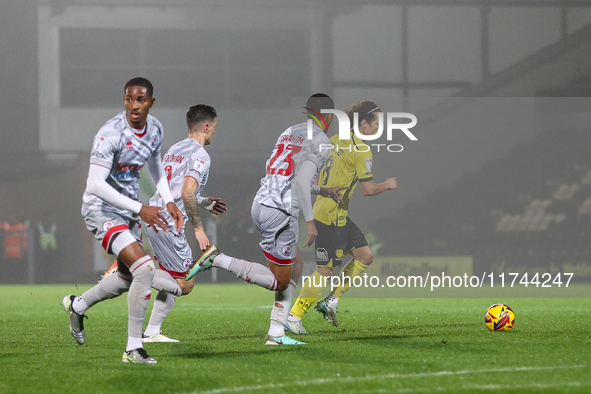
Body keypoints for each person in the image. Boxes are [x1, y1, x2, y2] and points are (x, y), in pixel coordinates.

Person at [186, 94, 345, 345]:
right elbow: (302, 182)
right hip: (280, 212)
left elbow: (285, 176)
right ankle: (218, 259)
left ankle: (277, 332)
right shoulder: (323, 142)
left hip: (261, 203)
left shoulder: (289, 131)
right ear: (328, 117)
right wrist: (310, 221)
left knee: (297, 267)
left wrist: (322, 190)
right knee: (279, 280)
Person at [61, 77, 183, 364]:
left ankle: (78, 306)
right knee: (145, 268)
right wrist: (141, 208)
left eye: (141, 100)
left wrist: (167, 200)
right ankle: (133, 348)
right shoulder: (110, 134)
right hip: (101, 210)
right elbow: (95, 184)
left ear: (151, 102)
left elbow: (155, 167)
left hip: (127, 210)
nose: (134, 105)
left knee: (129, 277)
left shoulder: (155, 129)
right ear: (124, 101)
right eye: (129, 99)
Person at [286, 100, 398, 334]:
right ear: (364, 123)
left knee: (365, 255)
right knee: (326, 271)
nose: (379, 127)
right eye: (377, 123)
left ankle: (331, 302)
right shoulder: (362, 149)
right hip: (328, 217)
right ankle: (294, 316)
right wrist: (386, 185)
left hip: (338, 216)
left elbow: (314, 175)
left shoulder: (333, 141)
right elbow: (368, 190)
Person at [141, 104, 226, 342]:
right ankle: (131, 272)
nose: (214, 133)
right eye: (214, 128)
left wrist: (204, 202)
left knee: (171, 279)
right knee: (185, 284)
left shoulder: (175, 149)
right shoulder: (200, 155)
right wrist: (198, 228)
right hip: (169, 223)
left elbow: (177, 190)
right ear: (206, 126)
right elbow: (187, 190)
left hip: (155, 216)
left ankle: (152, 332)